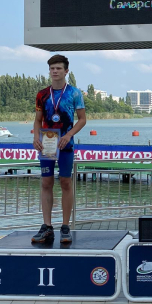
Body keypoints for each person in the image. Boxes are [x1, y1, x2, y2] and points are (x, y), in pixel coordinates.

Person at [32, 54, 86, 243]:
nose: (55, 71)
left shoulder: (74, 93)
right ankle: (47, 226)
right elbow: (38, 120)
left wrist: (69, 135)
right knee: (46, 183)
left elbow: (82, 120)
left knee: (65, 182)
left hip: (65, 143)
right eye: (52, 68)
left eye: (58, 68)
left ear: (66, 71)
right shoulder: (42, 94)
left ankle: (65, 226)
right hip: (47, 143)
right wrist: (35, 138)